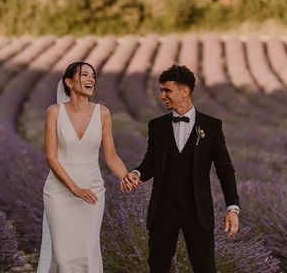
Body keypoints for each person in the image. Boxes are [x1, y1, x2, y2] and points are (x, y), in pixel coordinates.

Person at [121, 64, 240, 273]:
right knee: (158, 267)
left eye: (167, 90)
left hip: (197, 211)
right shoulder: (156, 126)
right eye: (161, 91)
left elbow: (225, 169)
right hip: (163, 210)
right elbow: (150, 162)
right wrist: (137, 174)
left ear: (184, 91)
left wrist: (233, 208)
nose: (162, 96)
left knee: (205, 268)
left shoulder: (211, 126)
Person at [37, 61, 135, 273]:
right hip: (59, 192)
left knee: (87, 254)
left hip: (93, 192)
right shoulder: (54, 112)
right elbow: (51, 158)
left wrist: (126, 177)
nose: (91, 79)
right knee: (63, 258)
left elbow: (111, 156)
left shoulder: (103, 113)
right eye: (84, 75)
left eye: (93, 76)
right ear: (69, 82)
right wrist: (75, 189)